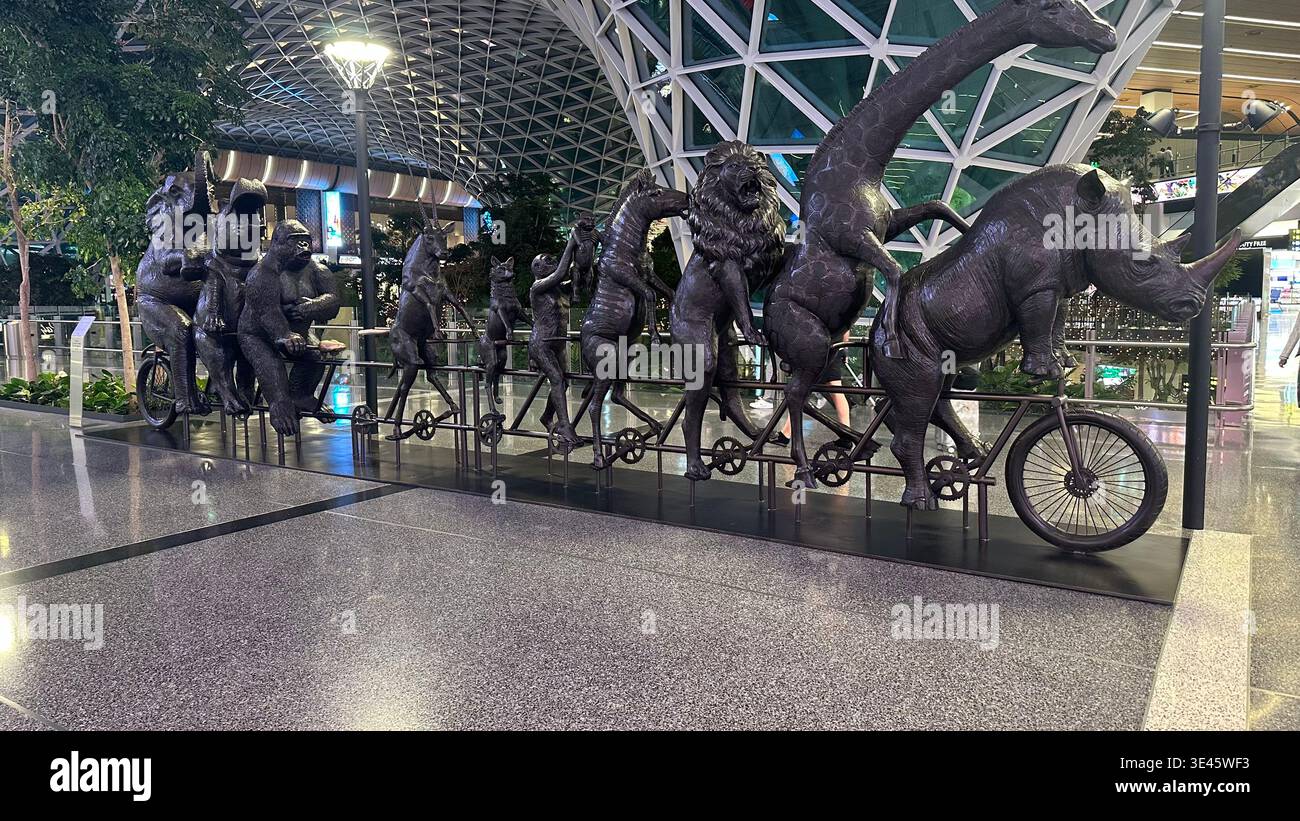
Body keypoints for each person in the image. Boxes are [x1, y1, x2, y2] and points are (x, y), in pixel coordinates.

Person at [781, 329, 852, 444]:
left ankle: (786, 434)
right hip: (833, 347)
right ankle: (847, 435)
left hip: (816, 348)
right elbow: (846, 327)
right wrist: (844, 348)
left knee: (801, 391)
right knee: (835, 391)